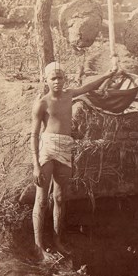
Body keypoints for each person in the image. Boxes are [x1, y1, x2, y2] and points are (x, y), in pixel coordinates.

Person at [31, 61, 118, 261]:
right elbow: (34, 135)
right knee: (42, 199)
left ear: (65, 79)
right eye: (53, 78)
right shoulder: (42, 103)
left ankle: (57, 240)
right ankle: (38, 246)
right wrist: (36, 165)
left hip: (65, 147)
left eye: (60, 77)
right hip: (47, 148)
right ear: (46, 79)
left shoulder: (69, 94)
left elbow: (88, 87)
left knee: (60, 198)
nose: (57, 81)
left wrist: (106, 75)